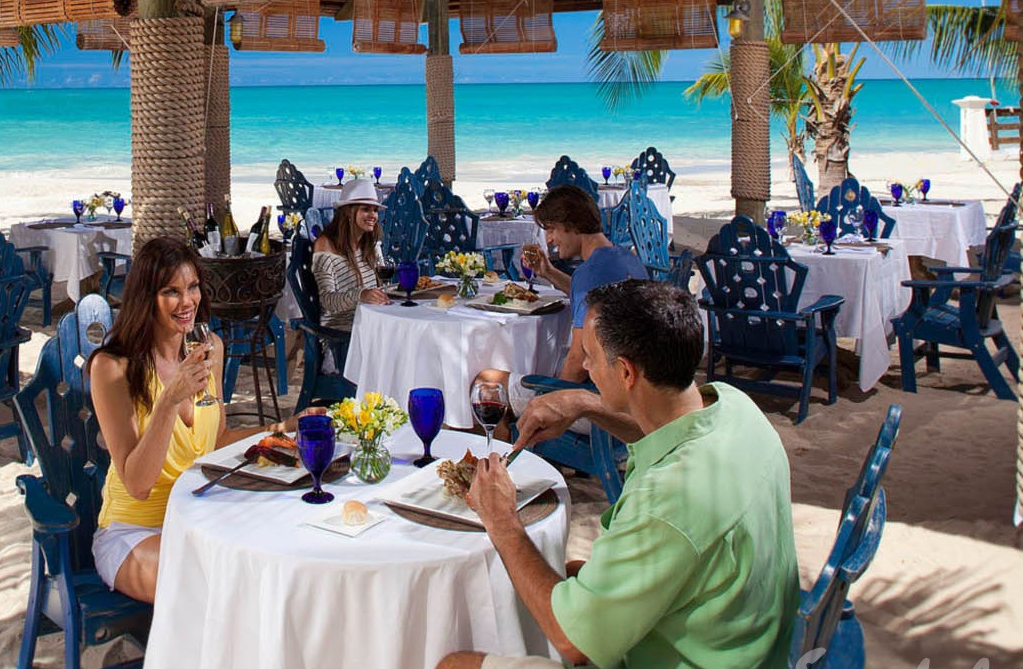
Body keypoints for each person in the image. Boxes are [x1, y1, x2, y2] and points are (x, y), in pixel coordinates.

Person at [439, 280, 800, 669]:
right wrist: (584, 404)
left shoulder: (667, 500)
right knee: (562, 571)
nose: (586, 367)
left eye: (590, 357)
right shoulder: (734, 407)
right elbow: (661, 431)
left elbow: (573, 642)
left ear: (626, 372)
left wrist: (503, 521)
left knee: (454, 662)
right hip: (746, 638)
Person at [88, 236, 307, 603]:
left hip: (203, 520)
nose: (187, 301)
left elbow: (217, 439)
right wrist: (169, 400)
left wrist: (282, 428)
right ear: (146, 297)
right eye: (171, 291)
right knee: (212, 584)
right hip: (136, 530)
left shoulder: (209, 350)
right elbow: (137, 483)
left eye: (192, 287)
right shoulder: (113, 368)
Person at [523, 184, 648, 382]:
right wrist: (548, 273)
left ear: (572, 225)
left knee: (492, 378)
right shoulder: (626, 258)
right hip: (634, 379)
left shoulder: (589, 274)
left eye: (552, 229)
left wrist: (554, 398)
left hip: (601, 390)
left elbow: (578, 360)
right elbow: (592, 294)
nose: (549, 240)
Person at [311, 178, 390, 331]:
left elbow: (379, 290)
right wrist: (361, 295)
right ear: (348, 212)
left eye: (375, 210)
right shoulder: (326, 245)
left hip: (373, 322)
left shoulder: (369, 245)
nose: (373, 215)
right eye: (365, 209)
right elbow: (327, 300)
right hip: (342, 330)